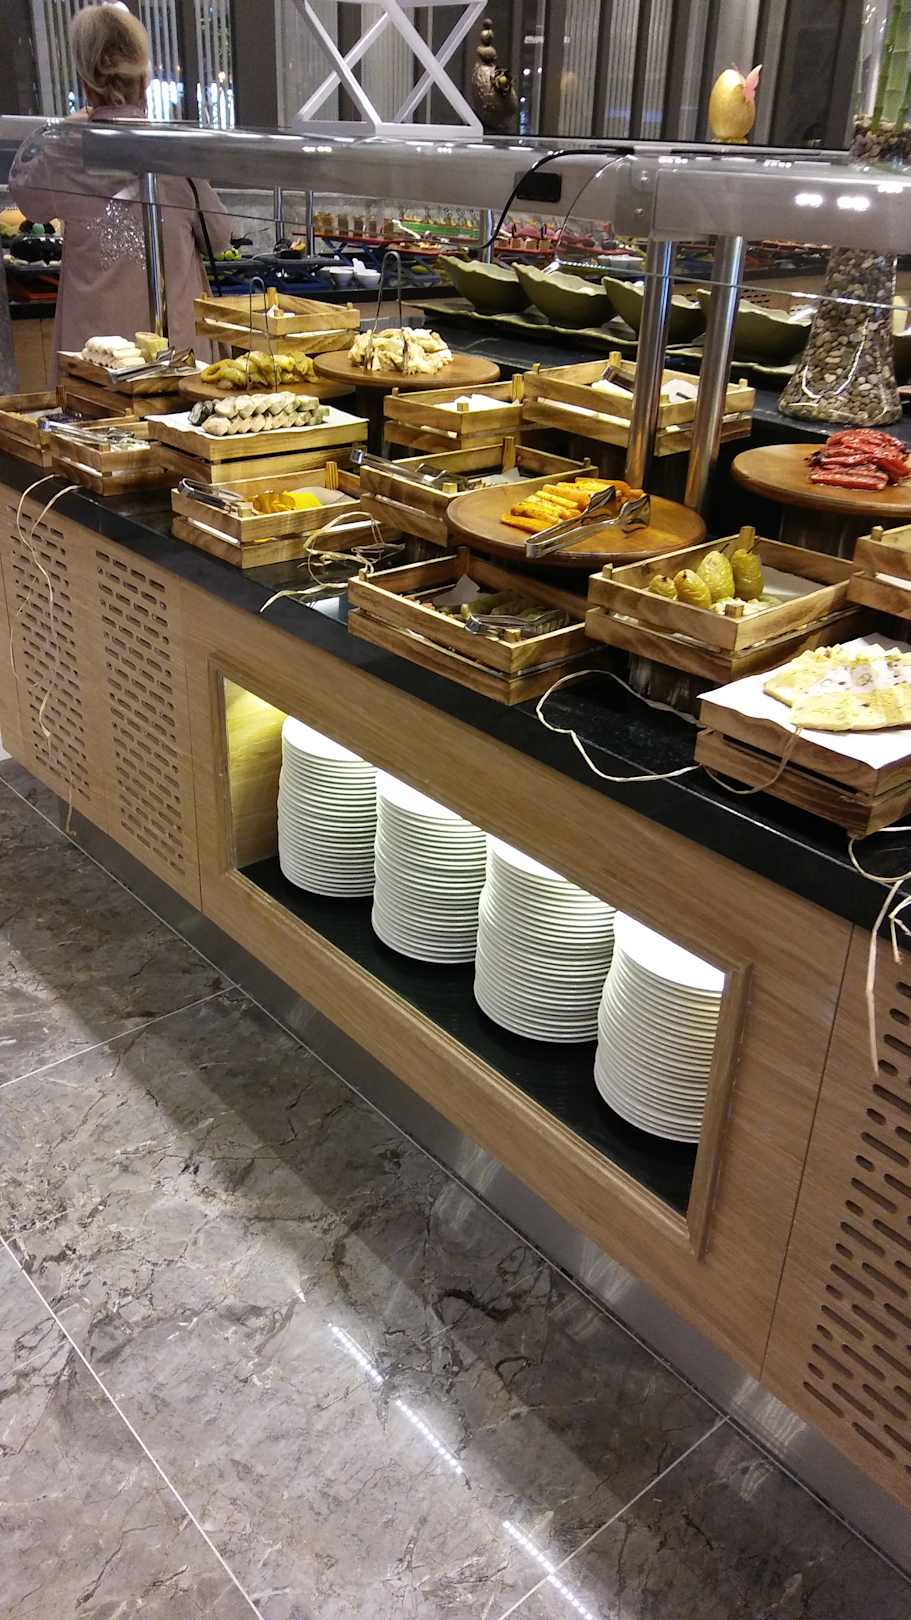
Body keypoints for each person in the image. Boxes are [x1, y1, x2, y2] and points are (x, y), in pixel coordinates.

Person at [9, 4, 231, 370]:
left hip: (94, 356)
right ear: (144, 79)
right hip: (176, 352)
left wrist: (65, 128)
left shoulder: (62, 149)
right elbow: (219, 237)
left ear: (86, 83)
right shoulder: (174, 153)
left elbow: (29, 203)